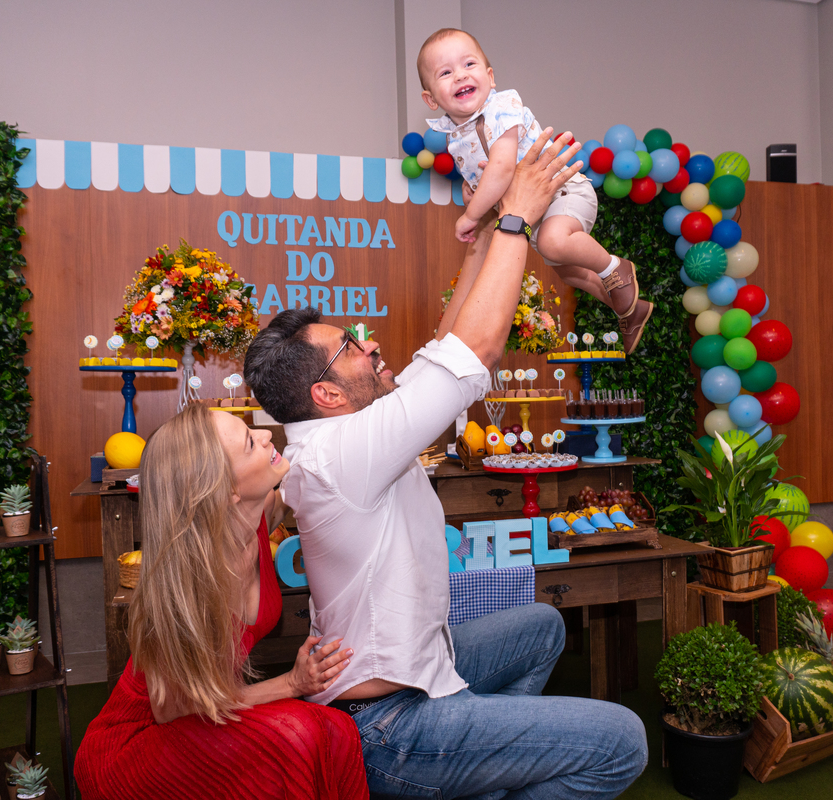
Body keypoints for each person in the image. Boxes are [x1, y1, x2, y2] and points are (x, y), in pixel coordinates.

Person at [244, 127, 648, 799]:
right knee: (622, 743)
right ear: (326, 394)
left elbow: (444, 348)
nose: (370, 346)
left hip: (424, 672)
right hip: (391, 726)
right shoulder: (343, 453)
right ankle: (456, 769)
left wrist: (483, 239)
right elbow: (474, 352)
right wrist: (516, 217)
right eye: (350, 349)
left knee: (541, 627)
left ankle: (478, 773)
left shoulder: (347, 432)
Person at [74, 403, 368, 800]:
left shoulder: (256, 513)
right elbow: (174, 709)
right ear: (227, 490)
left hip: (203, 713)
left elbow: (304, 478)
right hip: (138, 743)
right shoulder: (188, 585)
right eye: (250, 442)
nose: (267, 435)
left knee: (336, 729)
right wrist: (292, 683)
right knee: (299, 733)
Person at [422, 28, 654, 354]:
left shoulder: (500, 107)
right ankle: (630, 309)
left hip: (562, 192)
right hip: (535, 213)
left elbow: (502, 168)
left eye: (469, 64)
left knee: (553, 243)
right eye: (445, 73)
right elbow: (482, 182)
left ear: (490, 76)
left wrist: (470, 216)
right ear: (431, 99)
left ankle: (616, 268)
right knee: (570, 273)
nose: (460, 75)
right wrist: (473, 194)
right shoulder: (456, 135)